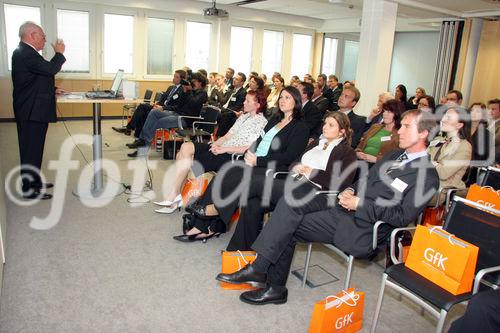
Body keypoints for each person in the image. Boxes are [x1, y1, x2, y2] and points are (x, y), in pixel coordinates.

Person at [215, 109, 439, 305]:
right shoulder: (393, 155)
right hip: (342, 211)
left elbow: (401, 217)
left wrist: (360, 203)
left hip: (364, 230)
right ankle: (270, 283)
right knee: (289, 212)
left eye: (406, 127)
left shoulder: (427, 176)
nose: (399, 131)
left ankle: (262, 273)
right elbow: (365, 180)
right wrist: (351, 190)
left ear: (423, 133)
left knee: (287, 219)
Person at [174, 86, 309, 242]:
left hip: (272, 169)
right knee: (226, 171)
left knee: (236, 176)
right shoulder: (274, 120)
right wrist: (249, 154)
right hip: (254, 160)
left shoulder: (300, 127)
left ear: (296, 101)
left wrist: (257, 160)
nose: (282, 101)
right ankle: (203, 226)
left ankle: (211, 212)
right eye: (281, 97)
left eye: (287, 98)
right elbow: (259, 141)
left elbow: (289, 157)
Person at [226, 111, 358, 251]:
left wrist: (312, 172)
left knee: (257, 182)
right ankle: (240, 251)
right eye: (325, 123)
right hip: (293, 183)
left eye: (331, 125)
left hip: (314, 192)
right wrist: (297, 167)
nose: (325, 127)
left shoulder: (348, 152)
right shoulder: (316, 144)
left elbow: (341, 183)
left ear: (341, 132)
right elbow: (294, 163)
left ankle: (221, 207)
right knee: (253, 203)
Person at [154, 90, 268, 214]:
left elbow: (248, 148)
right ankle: (175, 194)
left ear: (257, 105)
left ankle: (174, 198)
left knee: (182, 157)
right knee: (185, 147)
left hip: (231, 155)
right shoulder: (244, 117)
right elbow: (227, 136)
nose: (244, 103)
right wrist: (215, 144)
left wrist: (222, 149)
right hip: (222, 148)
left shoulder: (261, 123)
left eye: (247, 101)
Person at [12, 21, 66, 200]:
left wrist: (53, 88)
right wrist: (59, 53)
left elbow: (37, 77)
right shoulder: (25, 53)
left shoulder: (27, 53)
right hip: (30, 110)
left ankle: (34, 182)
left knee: (35, 148)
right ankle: (29, 188)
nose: (44, 41)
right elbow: (50, 69)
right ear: (32, 35)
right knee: (30, 150)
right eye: (43, 37)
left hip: (34, 109)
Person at [126, 72, 208, 157]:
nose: (192, 83)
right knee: (154, 112)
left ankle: (143, 146)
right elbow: (180, 105)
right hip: (177, 114)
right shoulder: (191, 92)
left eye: (194, 81)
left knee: (158, 122)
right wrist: (184, 91)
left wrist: (189, 91)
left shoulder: (203, 94)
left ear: (200, 82)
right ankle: (143, 140)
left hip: (185, 119)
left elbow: (193, 103)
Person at [113, 69, 187, 137]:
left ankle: (133, 131)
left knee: (147, 112)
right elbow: (163, 100)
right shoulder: (171, 88)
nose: (174, 78)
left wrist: (162, 108)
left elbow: (176, 106)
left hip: (168, 111)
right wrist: (157, 104)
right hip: (160, 107)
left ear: (182, 79)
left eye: (176, 77)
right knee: (142, 107)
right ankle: (133, 131)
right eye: (174, 76)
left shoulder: (182, 91)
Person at [427, 105, 472, 205]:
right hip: (425, 181)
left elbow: (443, 173)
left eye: (448, 118)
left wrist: (429, 161)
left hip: (443, 190)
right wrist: (435, 163)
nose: (443, 119)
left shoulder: (464, 147)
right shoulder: (439, 139)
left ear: (459, 125)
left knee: (408, 195)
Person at [356, 99, 404, 164]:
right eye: (384, 111)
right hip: (360, 162)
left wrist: (376, 159)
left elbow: (397, 158)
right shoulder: (375, 127)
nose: (384, 114)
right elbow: (360, 144)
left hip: (378, 167)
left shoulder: (400, 134)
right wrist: (358, 153)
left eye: (389, 111)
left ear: (397, 114)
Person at [217, 72, 247, 137]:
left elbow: (237, 107)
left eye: (237, 79)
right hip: (225, 109)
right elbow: (224, 102)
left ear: (242, 83)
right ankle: (209, 136)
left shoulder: (243, 92)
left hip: (232, 112)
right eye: (234, 78)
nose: (234, 80)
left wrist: (224, 110)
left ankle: (220, 138)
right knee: (212, 111)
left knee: (224, 115)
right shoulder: (232, 89)